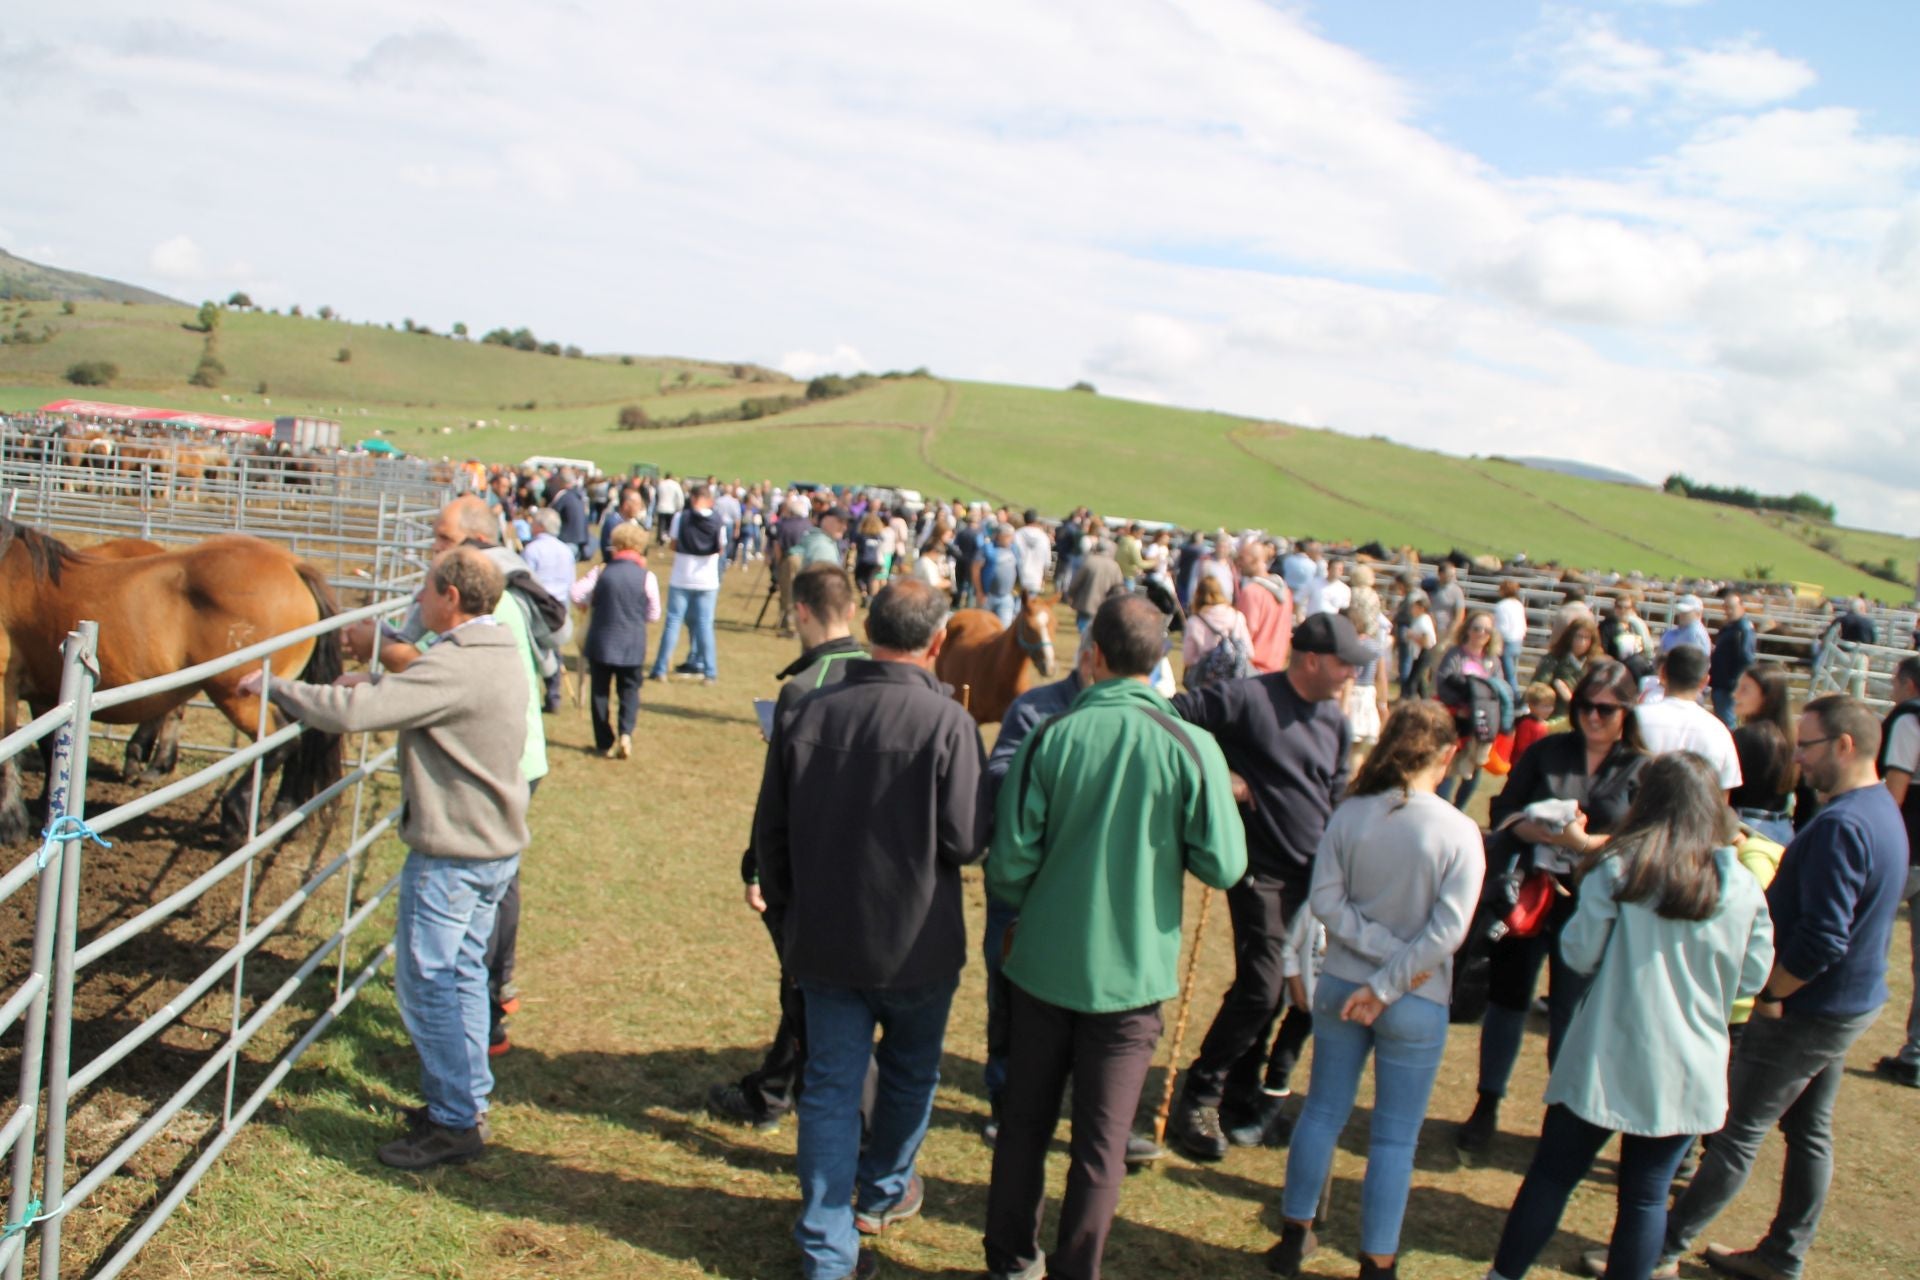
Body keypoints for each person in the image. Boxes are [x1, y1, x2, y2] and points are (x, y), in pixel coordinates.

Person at [983, 595, 1248, 1280]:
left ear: (1092, 654)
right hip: (1132, 982)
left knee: (1023, 1127)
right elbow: (1224, 863)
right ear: (1161, 660)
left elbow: (1008, 866)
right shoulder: (1193, 746)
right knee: (1100, 1150)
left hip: (1041, 967)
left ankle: (1010, 1262)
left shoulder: (1052, 736)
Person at [247, 548, 528, 1168]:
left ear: (450, 597)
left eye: (425, 592)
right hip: (488, 848)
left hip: (453, 854)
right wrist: (375, 681)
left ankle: (455, 1121)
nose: (418, 603)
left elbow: (355, 715)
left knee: (426, 983)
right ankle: (466, 1101)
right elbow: (425, 696)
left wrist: (279, 689)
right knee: (459, 978)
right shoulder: (494, 650)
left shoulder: (458, 664)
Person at [754, 580, 986, 1280]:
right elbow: (969, 839)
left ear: (869, 628)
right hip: (915, 943)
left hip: (828, 938)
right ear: (937, 644)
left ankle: (836, 1238)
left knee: (830, 1086)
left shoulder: (808, 708)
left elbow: (772, 834)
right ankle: (876, 1195)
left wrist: (791, 911)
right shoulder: (948, 724)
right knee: (908, 1075)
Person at [1487, 753, 1774, 1280]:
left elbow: (1577, 954)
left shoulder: (1620, 868)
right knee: (1646, 1197)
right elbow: (1753, 979)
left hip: (1607, 1054)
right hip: (1689, 1064)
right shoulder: (1741, 886)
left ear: (1646, 802)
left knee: (1552, 1176)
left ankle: (1503, 1276)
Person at [1657, 695, 1908, 1280]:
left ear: (1845, 746)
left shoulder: (1842, 825)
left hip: (1808, 1009)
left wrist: (1774, 992)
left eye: (1809, 746)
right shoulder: (1876, 812)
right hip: (1846, 1005)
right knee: (1808, 1128)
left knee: (1736, 1131)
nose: (1799, 759)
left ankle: (1660, 1249)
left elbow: (1823, 938)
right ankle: (1783, 1254)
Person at [1264, 701, 1485, 1280]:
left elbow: (1328, 901)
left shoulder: (1350, 814)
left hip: (1343, 981)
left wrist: (1374, 959)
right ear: (1446, 755)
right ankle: (1377, 1261)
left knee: (1322, 1111)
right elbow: (1448, 933)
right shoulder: (1459, 831)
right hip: (1416, 996)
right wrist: (1396, 969)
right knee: (1393, 1139)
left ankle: (1295, 1233)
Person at [1168, 612, 1363, 1162]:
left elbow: (1337, 790)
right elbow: (1168, 717)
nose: (1352, 672)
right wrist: (1216, 777)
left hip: (1315, 878)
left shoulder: (1334, 720)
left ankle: (1239, 1095)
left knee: (1281, 990)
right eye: (1345, 662)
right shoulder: (1247, 699)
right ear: (1312, 660)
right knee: (1262, 986)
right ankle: (1199, 1096)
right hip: (1260, 871)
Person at [1456, 660, 1650, 1152]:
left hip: (1594, 904)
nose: (1593, 717)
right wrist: (1532, 829)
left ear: (1628, 711)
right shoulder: (1547, 751)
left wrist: (1586, 845)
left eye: (1605, 710)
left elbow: (1647, 839)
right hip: (1531, 895)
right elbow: (1502, 809)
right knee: (1507, 1001)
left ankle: (1560, 1115)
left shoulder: (1640, 767)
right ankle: (1487, 1102)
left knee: (1572, 1009)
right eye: (1584, 706)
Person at [710, 564, 869, 1130]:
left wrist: (758, 868)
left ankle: (820, 1107)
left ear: (799, 610)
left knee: (809, 990)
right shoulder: (879, 672)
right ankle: (773, 1089)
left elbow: (778, 799)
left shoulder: (803, 689)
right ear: (850, 610)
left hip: (812, 868)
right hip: (868, 866)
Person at [1874, 656, 1920, 1087]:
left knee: (1864, 931)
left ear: (1907, 684)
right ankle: (1917, 1053)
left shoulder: (1909, 718)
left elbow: (1897, 786)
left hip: (1907, 847)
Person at [582, 522, 660, 759]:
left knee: (600, 692)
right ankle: (626, 734)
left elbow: (577, 593)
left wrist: (587, 605)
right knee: (629, 691)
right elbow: (654, 614)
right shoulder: (647, 576)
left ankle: (604, 741)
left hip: (602, 640)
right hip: (632, 642)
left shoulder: (602, 571)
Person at [1635, 645, 1742, 797]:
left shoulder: (1635, 718)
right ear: (1705, 681)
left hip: (1641, 814)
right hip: (1697, 818)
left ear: (1663, 672)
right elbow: (1723, 795)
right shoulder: (1719, 731)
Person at [649, 484, 727, 685]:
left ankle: (660, 668)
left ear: (692, 498)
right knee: (705, 625)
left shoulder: (681, 518)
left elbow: (673, 544)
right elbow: (721, 548)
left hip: (682, 576)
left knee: (673, 623)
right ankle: (710, 671)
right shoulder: (718, 520)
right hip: (707, 580)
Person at [1433, 610, 1507, 811]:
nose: (1481, 633)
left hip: (1481, 722)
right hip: (1456, 719)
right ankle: (1442, 808)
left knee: (1474, 768)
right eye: (1476, 628)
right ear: (1467, 630)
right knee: (1449, 766)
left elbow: (1500, 689)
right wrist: (1459, 709)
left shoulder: (1493, 661)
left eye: (1486, 630)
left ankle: (1460, 809)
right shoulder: (1455, 654)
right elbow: (1443, 683)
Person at [1729, 665, 1797, 845]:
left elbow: (1728, 787)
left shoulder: (1744, 736)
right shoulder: (1791, 739)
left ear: (1767, 698)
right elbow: (1807, 799)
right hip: (1784, 829)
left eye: (1745, 689)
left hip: (1745, 828)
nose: (1736, 695)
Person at [1181, 574, 1253, 688]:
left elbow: (1188, 659)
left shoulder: (1194, 622)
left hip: (1206, 684)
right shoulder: (1237, 617)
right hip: (1234, 683)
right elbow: (1249, 651)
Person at [1236, 538, 1294, 674]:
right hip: (1276, 668)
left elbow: (1244, 635)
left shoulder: (1251, 592)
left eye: (1242, 558)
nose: (1238, 563)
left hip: (1252, 668)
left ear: (1255, 560)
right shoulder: (1286, 592)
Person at [1531, 616, 1598, 720]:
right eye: (1578, 636)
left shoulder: (1596, 663)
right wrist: (1551, 692)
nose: (1582, 642)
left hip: (1586, 719)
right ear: (1570, 637)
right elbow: (1537, 687)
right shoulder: (1554, 659)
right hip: (1556, 717)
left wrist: (1570, 697)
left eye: (1586, 638)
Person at [1711, 589, 1758, 729]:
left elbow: (1746, 658)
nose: (1728, 611)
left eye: (1731, 607)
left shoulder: (1742, 629)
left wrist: (1739, 683)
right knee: (1722, 719)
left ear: (1741, 606)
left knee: (1726, 721)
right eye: (1726, 607)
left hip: (1729, 684)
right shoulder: (1730, 627)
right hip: (1722, 681)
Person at [1064, 537, 1124, 635]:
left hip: (1086, 601)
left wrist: (1071, 594)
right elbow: (1119, 587)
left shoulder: (1089, 561)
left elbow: (1077, 581)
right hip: (1104, 603)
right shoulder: (1114, 566)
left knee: (1083, 625)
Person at [975, 523, 1021, 626]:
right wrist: (979, 591)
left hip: (1006, 597)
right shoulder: (987, 548)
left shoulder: (1014, 549)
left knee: (1003, 628)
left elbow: (1018, 570)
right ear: (999, 536)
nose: (1011, 539)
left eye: (1012, 536)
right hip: (987, 596)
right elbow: (975, 569)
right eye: (1008, 536)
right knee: (983, 626)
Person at [1510, 683, 1557, 768]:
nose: (1549, 710)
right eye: (1545, 706)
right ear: (1531, 706)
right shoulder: (1526, 724)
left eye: (1551, 706)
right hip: (1523, 766)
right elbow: (1522, 748)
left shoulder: (1542, 723)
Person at [1494, 579, 1529, 692]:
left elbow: (1502, 627)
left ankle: (1516, 700)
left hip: (1506, 641)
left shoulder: (1501, 606)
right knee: (1511, 673)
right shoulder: (1518, 605)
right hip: (1517, 641)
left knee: (1507, 675)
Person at [1013, 508, 1052, 595]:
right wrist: (1044, 578)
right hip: (1036, 577)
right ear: (1036, 520)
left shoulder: (1017, 534)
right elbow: (1047, 561)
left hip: (1019, 576)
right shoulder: (1043, 537)